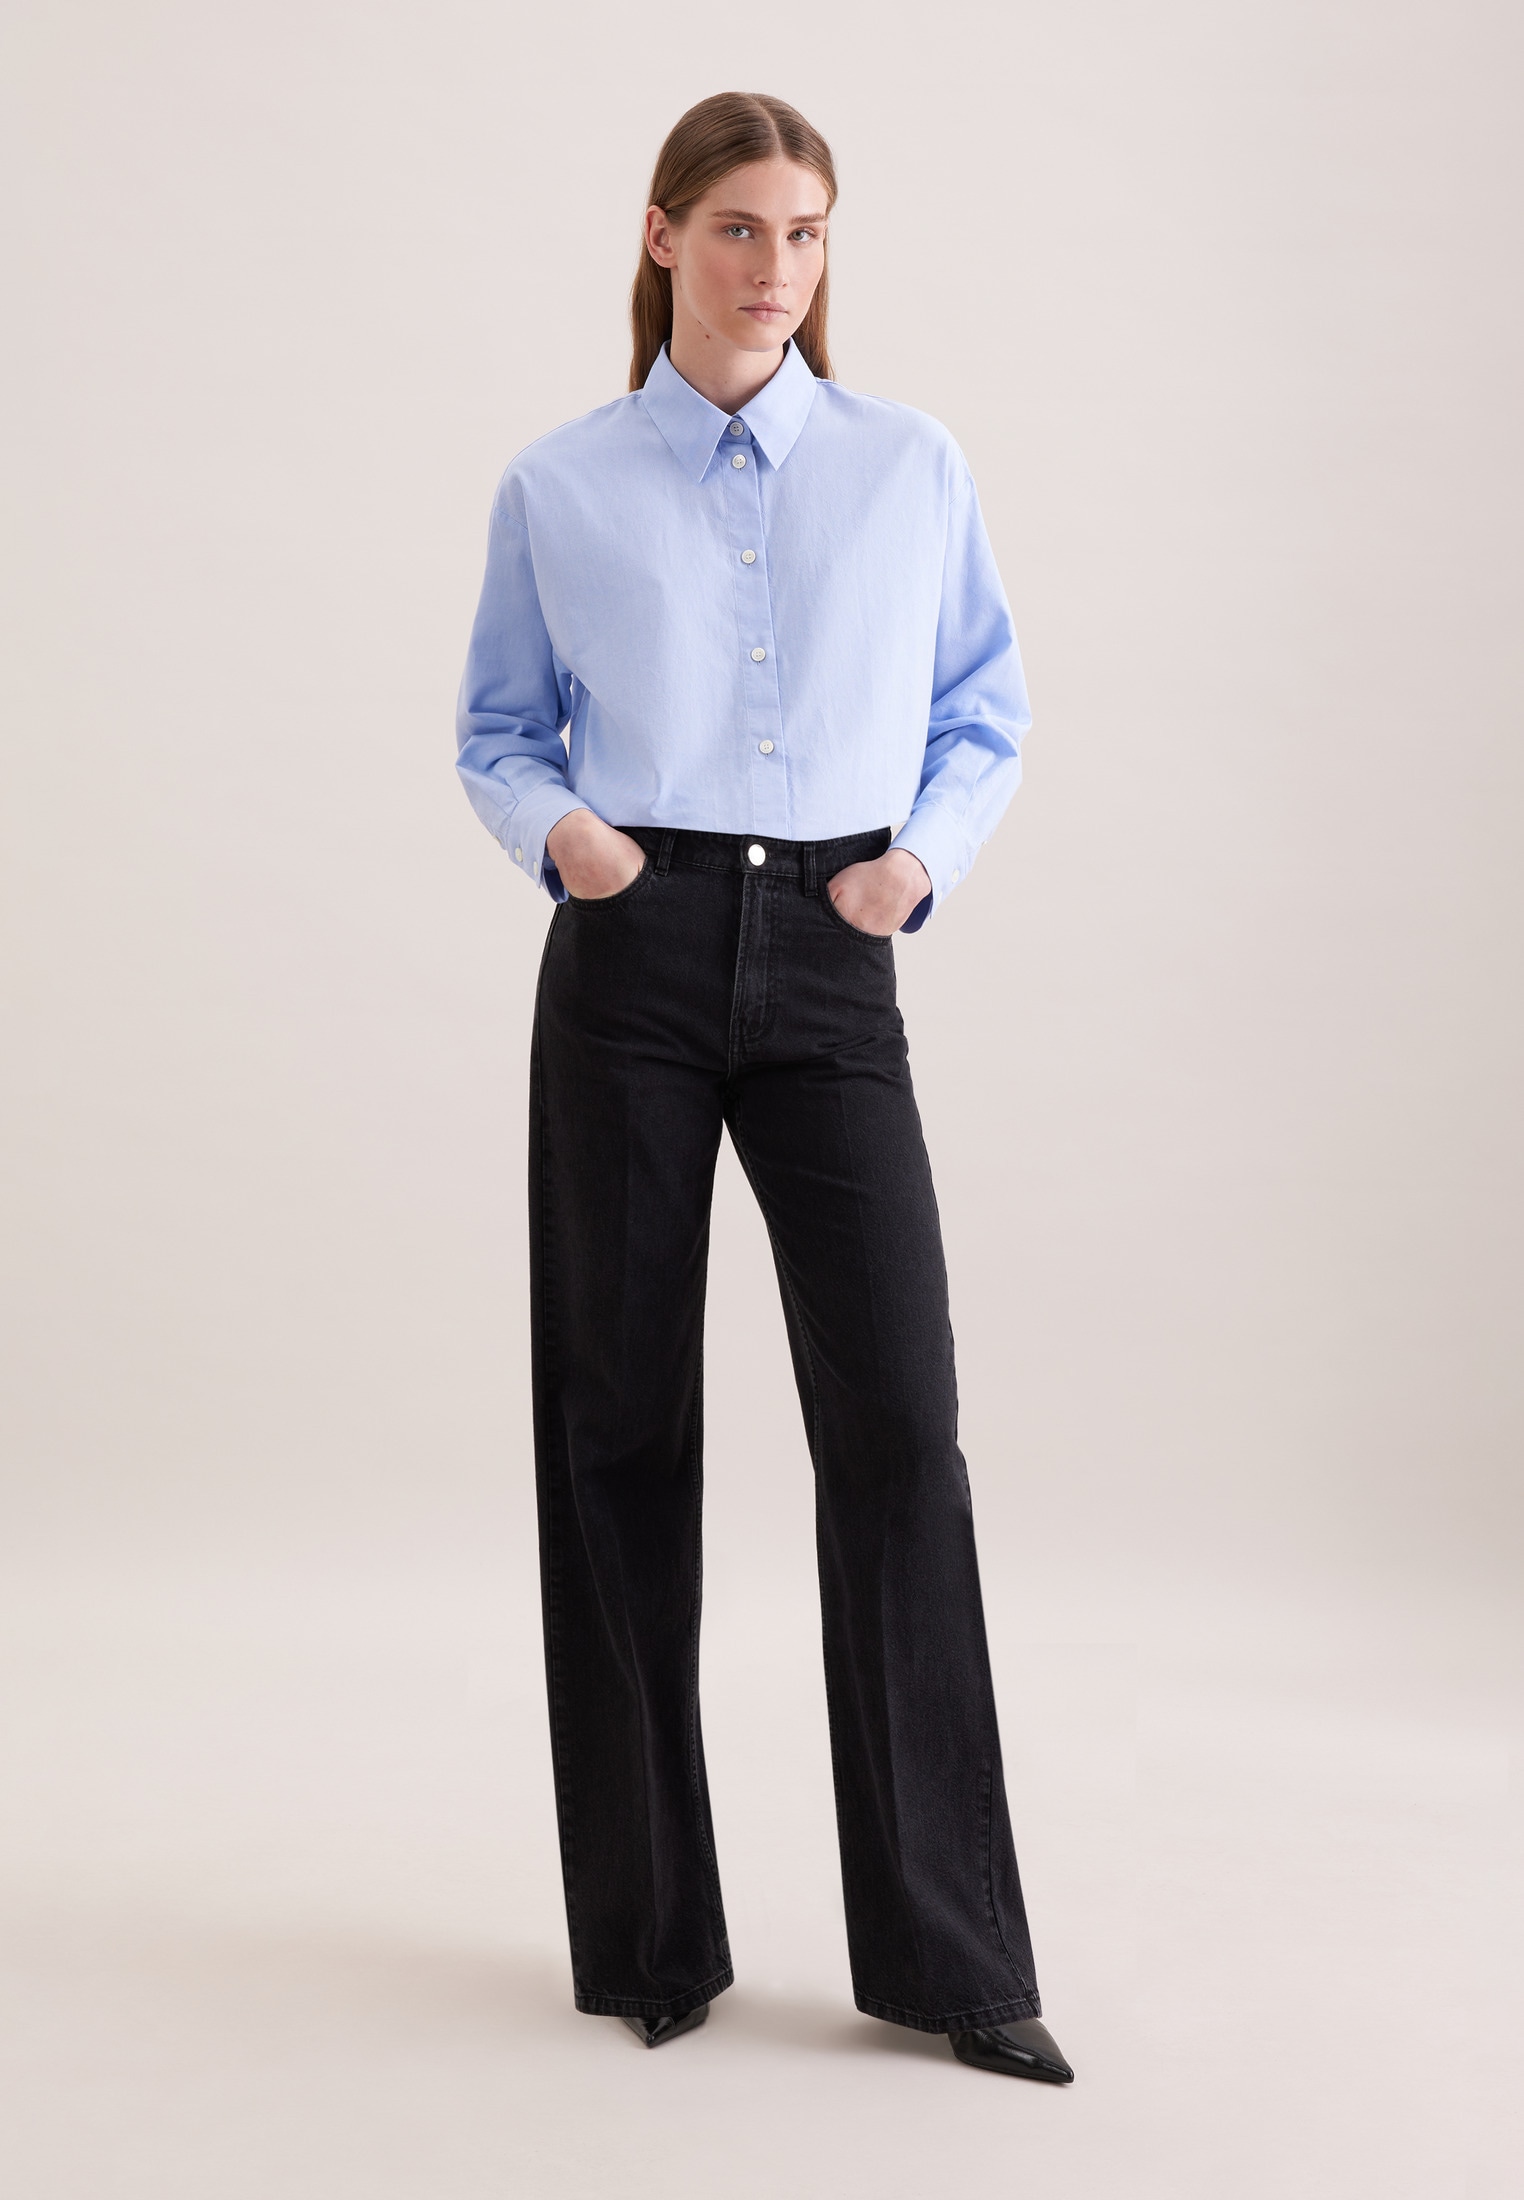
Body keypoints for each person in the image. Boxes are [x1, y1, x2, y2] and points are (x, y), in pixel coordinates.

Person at [455, 91, 1072, 2085]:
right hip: (629, 960)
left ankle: (955, 1959)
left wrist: (915, 868)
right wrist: (568, 841)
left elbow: (985, 705)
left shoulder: (909, 465)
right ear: (662, 235)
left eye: (804, 233)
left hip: (831, 956)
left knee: (900, 1427)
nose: (774, 269)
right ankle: (649, 1937)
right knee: (619, 1428)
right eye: (737, 228)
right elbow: (494, 729)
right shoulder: (562, 480)